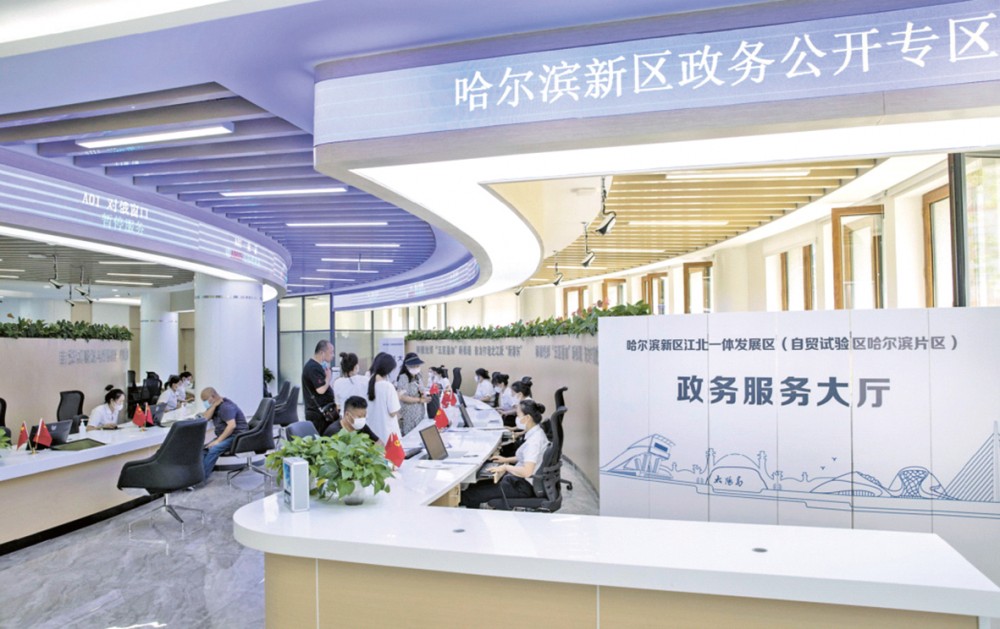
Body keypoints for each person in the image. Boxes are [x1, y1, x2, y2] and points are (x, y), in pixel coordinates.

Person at [460, 400, 550, 509]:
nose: (517, 418)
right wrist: (505, 460)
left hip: (522, 486)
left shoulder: (534, 442)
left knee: (470, 495)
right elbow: (526, 458)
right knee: (475, 486)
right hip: (519, 481)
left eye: (518, 415)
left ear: (527, 418)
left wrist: (505, 467)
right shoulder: (537, 433)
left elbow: (527, 471)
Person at [200, 387, 248, 479]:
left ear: (213, 397)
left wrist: (218, 441)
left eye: (205, 400)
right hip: (227, 436)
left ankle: (201, 478)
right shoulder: (215, 406)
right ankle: (199, 474)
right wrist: (213, 406)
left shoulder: (226, 407)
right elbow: (205, 418)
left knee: (214, 449)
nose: (204, 403)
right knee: (205, 449)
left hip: (237, 436)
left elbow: (232, 426)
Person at [366, 352, 401, 444]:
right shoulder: (387, 386)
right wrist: (397, 397)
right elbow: (393, 412)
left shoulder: (368, 383)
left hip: (373, 433)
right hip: (388, 434)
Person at [302, 339, 336, 434]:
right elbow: (321, 389)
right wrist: (328, 378)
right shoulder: (313, 368)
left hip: (322, 412)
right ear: (322, 353)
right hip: (318, 414)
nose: (333, 355)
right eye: (331, 352)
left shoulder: (317, 366)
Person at [396, 352, 429, 436]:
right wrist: (419, 400)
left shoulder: (418, 375)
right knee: (410, 436)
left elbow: (421, 389)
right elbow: (402, 397)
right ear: (407, 366)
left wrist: (424, 395)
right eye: (413, 366)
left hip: (419, 412)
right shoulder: (404, 377)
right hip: (409, 414)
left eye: (417, 366)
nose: (416, 368)